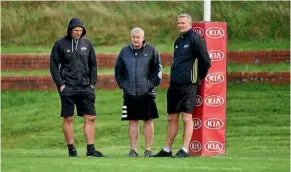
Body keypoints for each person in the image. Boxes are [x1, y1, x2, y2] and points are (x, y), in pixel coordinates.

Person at [152, 13, 211, 158]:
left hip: (188, 84)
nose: (180, 25)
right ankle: (167, 149)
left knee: (186, 117)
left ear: (190, 23)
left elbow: (206, 61)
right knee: (172, 118)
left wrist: (198, 77)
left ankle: (185, 149)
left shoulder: (196, 39)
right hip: (175, 84)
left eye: (183, 23)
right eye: (178, 23)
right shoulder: (178, 41)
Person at [50, 17, 105, 157]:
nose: (78, 33)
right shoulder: (60, 44)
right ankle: (71, 149)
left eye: (81, 30)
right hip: (68, 87)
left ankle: (91, 150)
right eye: (76, 30)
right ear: (70, 30)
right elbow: (54, 66)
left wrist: (92, 84)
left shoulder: (87, 44)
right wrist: (61, 84)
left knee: (91, 117)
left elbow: (93, 65)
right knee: (68, 118)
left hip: (86, 87)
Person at [115, 27, 162, 157]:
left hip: (147, 93)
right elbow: (118, 71)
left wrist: (149, 85)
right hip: (130, 93)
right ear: (131, 37)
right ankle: (133, 150)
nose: (135, 40)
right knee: (132, 121)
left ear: (142, 38)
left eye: (138, 37)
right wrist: (124, 85)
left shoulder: (152, 50)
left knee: (148, 120)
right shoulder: (124, 51)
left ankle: (148, 150)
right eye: (133, 37)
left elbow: (158, 71)